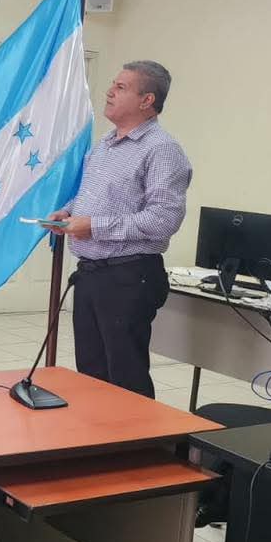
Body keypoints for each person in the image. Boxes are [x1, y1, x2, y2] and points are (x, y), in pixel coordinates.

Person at [45, 60, 192, 399]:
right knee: (91, 374)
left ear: (147, 100)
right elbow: (95, 196)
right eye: (113, 84)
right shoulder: (106, 144)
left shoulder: (162, 150)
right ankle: (96, 432)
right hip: (91, 274)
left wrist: (94, 226)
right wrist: (69, 212)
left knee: (125, 378)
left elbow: (164, 219)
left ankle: (137, 434)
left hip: (128, 276)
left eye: (121, 87)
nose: (109, 92)